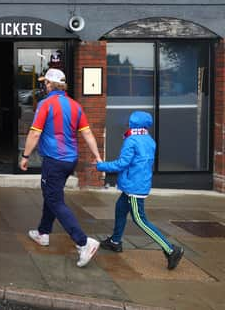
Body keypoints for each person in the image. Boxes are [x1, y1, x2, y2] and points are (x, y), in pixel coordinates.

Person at [20, 68, 102, 268]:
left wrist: (25, 156)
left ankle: (83, 242)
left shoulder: (45, 104)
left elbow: (34, 133)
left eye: (45, 83)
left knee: (54, 199)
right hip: (69, 160)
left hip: (54, 161)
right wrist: (98, 155)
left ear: (50, 84)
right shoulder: (75, 106)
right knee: (52, 194)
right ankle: (43, 232)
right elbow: (88, 134)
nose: (44, 86)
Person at [96, 111, 184, 270]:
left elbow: (122, 164)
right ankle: (115, 242)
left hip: (133, 187)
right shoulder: (149, 140)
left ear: (134, 124)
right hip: (139, 183)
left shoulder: (132, 140)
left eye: (130, 122)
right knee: (120, 209)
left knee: (140, 220)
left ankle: (171, 249)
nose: (128, 124)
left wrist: (102, 166)